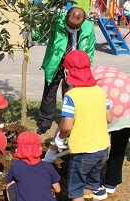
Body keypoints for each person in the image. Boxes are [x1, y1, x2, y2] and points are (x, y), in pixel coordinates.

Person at [54, 50, 112, 201]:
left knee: (76, 189)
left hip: (83, 151)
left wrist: (59, 139)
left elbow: (66, 126)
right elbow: (108, 118)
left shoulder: (71, 96)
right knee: (90, 183)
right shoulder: (100, 92)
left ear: (68, 71)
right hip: (102, 149)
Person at [37, 7, 95, 135]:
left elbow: (90, 48)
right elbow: (40, 35)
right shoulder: (56, 21)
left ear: (83, 22)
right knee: (49, 91)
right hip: (57, 62)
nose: (72, 28)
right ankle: (45, 122)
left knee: (74, 93)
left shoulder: (89, 27)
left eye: (75, 27)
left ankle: (71, 120)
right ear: (65, 17)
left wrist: (86, 65)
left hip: (76, 65)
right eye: (69, 25)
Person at [90, 66, 130, 200]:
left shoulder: (82, 80)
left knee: (97, 144)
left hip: (115, 107)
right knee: (119, 146)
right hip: (128, 107)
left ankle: (96, 183)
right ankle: (112, 183)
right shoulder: (102, 70)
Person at [4, 132, 61, 201]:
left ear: (17, 150)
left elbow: (7, 181)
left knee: (9, 183)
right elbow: (58, 189)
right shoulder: (48, 166)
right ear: (40, 149)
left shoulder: (16, 165)